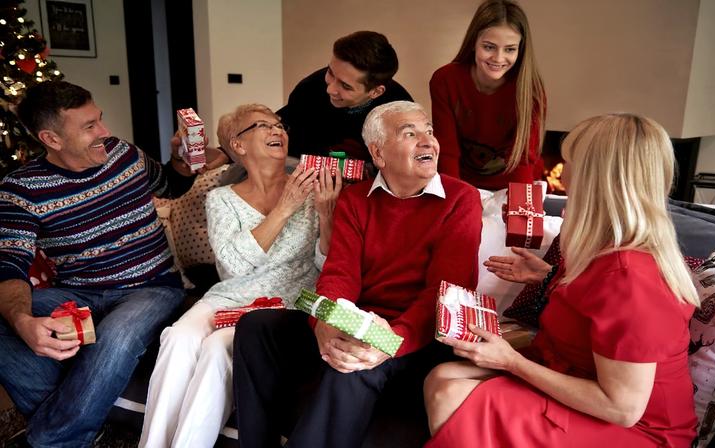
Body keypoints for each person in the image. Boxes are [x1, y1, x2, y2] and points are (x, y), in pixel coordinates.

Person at [423, 113, 700, 447]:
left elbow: (623, 409)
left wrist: (510, 361)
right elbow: (596, 309)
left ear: (594, 178)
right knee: (443, 376)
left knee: (452, 391)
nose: (560, 172)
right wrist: (548, 277)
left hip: (637, 432)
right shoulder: (604, 246)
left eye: (569, 161)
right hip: (578, 378)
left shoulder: (631, 278)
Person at [232, 101, 482, 448]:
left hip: (416, 337)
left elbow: (446, 293)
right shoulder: (355, 199)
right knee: (256, 327)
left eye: (429, 131)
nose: (428, 142)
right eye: (410, 133)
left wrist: (390, 342)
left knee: (350, 368)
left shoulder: (461, 199)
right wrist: (325, 323)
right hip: (360, 322)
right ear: (378, 154)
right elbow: (339, 274)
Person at [0, 81, 202, 447]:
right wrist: (22, 320)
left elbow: (170, 185)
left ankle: (51, 439)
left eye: (100, 120)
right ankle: (71, 424)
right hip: (79, 292)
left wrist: (182, 161)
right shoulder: (21, 188)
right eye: (89, 126)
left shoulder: (123, 154)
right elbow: (9, 265)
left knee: (118, 335)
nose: (105, 133)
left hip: (152, 286)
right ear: (52, 139)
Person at [138, 104, 341, 448]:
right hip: (230, 294)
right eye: (263, 125)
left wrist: (325, 214)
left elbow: (328, 265)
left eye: (280, 125)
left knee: (219, 348)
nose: (278, 131)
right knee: (177, 337)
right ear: (239, 144)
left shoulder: (313, 191)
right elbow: (232, 266)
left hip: (284, 301)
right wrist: (284, 209)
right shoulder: (220, 199)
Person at [430, 0, 546, 190]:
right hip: (462, 182)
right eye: (489, 47)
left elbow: (524, 159)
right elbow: (447, 151)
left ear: (521, 49)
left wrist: (518, 208)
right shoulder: (445, 80)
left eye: (510, 49)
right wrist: (456, 199)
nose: (498, 58)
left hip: (514, 185)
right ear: (474, 42)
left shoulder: (530, 90)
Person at [280, 30, 413, 163]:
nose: (330, 89)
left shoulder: (401, 114)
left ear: (376, 92)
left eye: (345, 86)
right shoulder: (308, 90)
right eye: (330, 73)